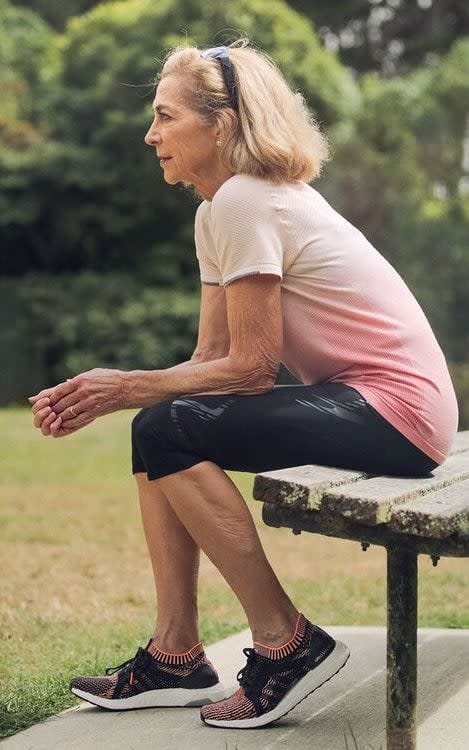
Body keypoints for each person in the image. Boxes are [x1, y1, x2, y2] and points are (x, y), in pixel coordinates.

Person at [29, 41, 458, 729]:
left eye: (166, 117)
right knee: (164, 425)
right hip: (372, 401)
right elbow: (213, 357)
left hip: (395, 411)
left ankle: (286, 644)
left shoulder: (247, 201)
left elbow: (252, 369)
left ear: (221, 124)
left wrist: (125, 385)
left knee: (164, 422)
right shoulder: (216, 210)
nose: (151, 134)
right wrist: (137, 391)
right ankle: (174, 655)